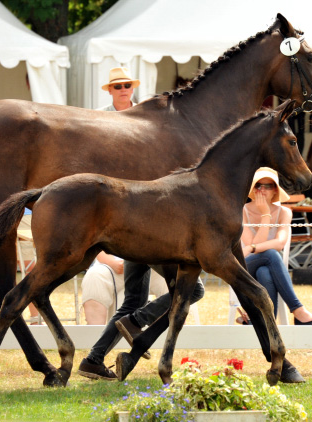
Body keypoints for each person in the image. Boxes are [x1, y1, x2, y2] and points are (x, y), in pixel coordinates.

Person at [78, 67, 205, 381]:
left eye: (126, 85)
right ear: (110, 90)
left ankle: (94, 358)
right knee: (194, 288)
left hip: (142, 217)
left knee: (134, 298)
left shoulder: (144, 118)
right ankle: (140, 321)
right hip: (142, 220)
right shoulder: (104, 124)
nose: (123, 89)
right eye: (118, 86)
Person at [239, 167, 312, 325]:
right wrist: (265, 215)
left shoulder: (284, 212)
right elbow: (258, 246)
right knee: (270, 254)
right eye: (258, 186)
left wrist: (251, 248)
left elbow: (280, 243)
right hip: (245, 267)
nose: (262, 190)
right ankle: (298, 310)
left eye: (268, 186)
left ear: (275, 191)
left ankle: (264, 320)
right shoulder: (242, 211)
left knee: (265, 271)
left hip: (268, 266)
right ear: (252, 189)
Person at [82, 252, 168, 325]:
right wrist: (113, 263)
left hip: (153, 264)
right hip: (113, 265)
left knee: (173, 279)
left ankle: (177, 334)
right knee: (94, 276)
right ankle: (96, 337)